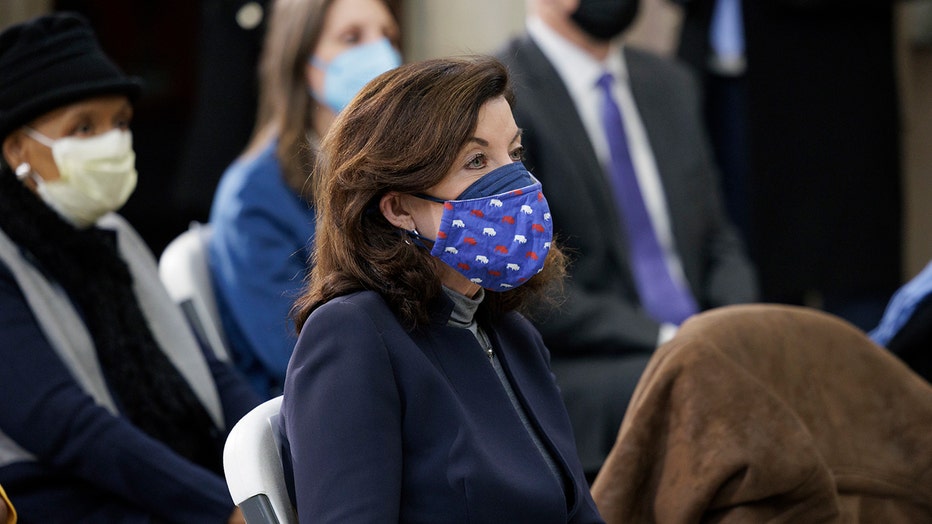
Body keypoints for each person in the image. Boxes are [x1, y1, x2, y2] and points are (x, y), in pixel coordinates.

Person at [281, 56, 604, 522]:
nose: (515, 183)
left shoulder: (512, 333)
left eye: (512, 154)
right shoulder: (352, 335)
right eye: (477, 161)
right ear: (398, 208)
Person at [0, 13, 259, 522]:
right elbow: (69, 429)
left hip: (155, 483)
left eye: (119, 122)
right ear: (16, 149)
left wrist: (277, 452)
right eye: (84, 127)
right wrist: (222, 510)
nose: (111, 142)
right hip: (62, 498)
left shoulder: (111, 234)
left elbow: (202, 368)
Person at [495, 0, 758, 475]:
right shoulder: (502, 103)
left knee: (803, 357)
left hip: (700, 341)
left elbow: (717, 240)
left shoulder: (671, 84)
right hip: (589, 364)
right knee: (710, 392)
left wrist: (732, 325)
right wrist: (671, 340)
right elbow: (528, 283)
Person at [208, 0, 402, 398]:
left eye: (387, 36)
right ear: (303, 62)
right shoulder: (252, 199)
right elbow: (299, 354)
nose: (380, 53)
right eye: (352, 38)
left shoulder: (391, 175)